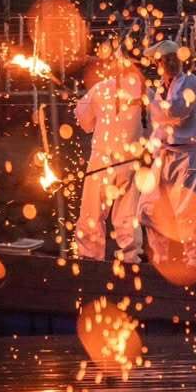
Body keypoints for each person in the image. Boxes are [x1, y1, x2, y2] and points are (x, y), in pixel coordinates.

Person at [74, 46, 145, 263]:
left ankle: (89, 257)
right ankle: (130, 258)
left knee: (92, 213)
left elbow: (84, 122)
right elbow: (160, 119)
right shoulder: (144, 90)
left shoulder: (99, 89)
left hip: (102, 159)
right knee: (127, 215)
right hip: (130, 159)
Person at [142, 39, 196, 264]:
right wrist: (149, 149)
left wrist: (150, 98)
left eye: (173, 59)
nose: (169, 63)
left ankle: (194, 259)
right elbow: (160, 126)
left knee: (188, 209)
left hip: (187, 155)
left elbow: (176, 112)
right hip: (164, 154)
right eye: (164, 60)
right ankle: (159, 255)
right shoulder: (164, 86)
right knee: (150, 207)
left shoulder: (190, 82)